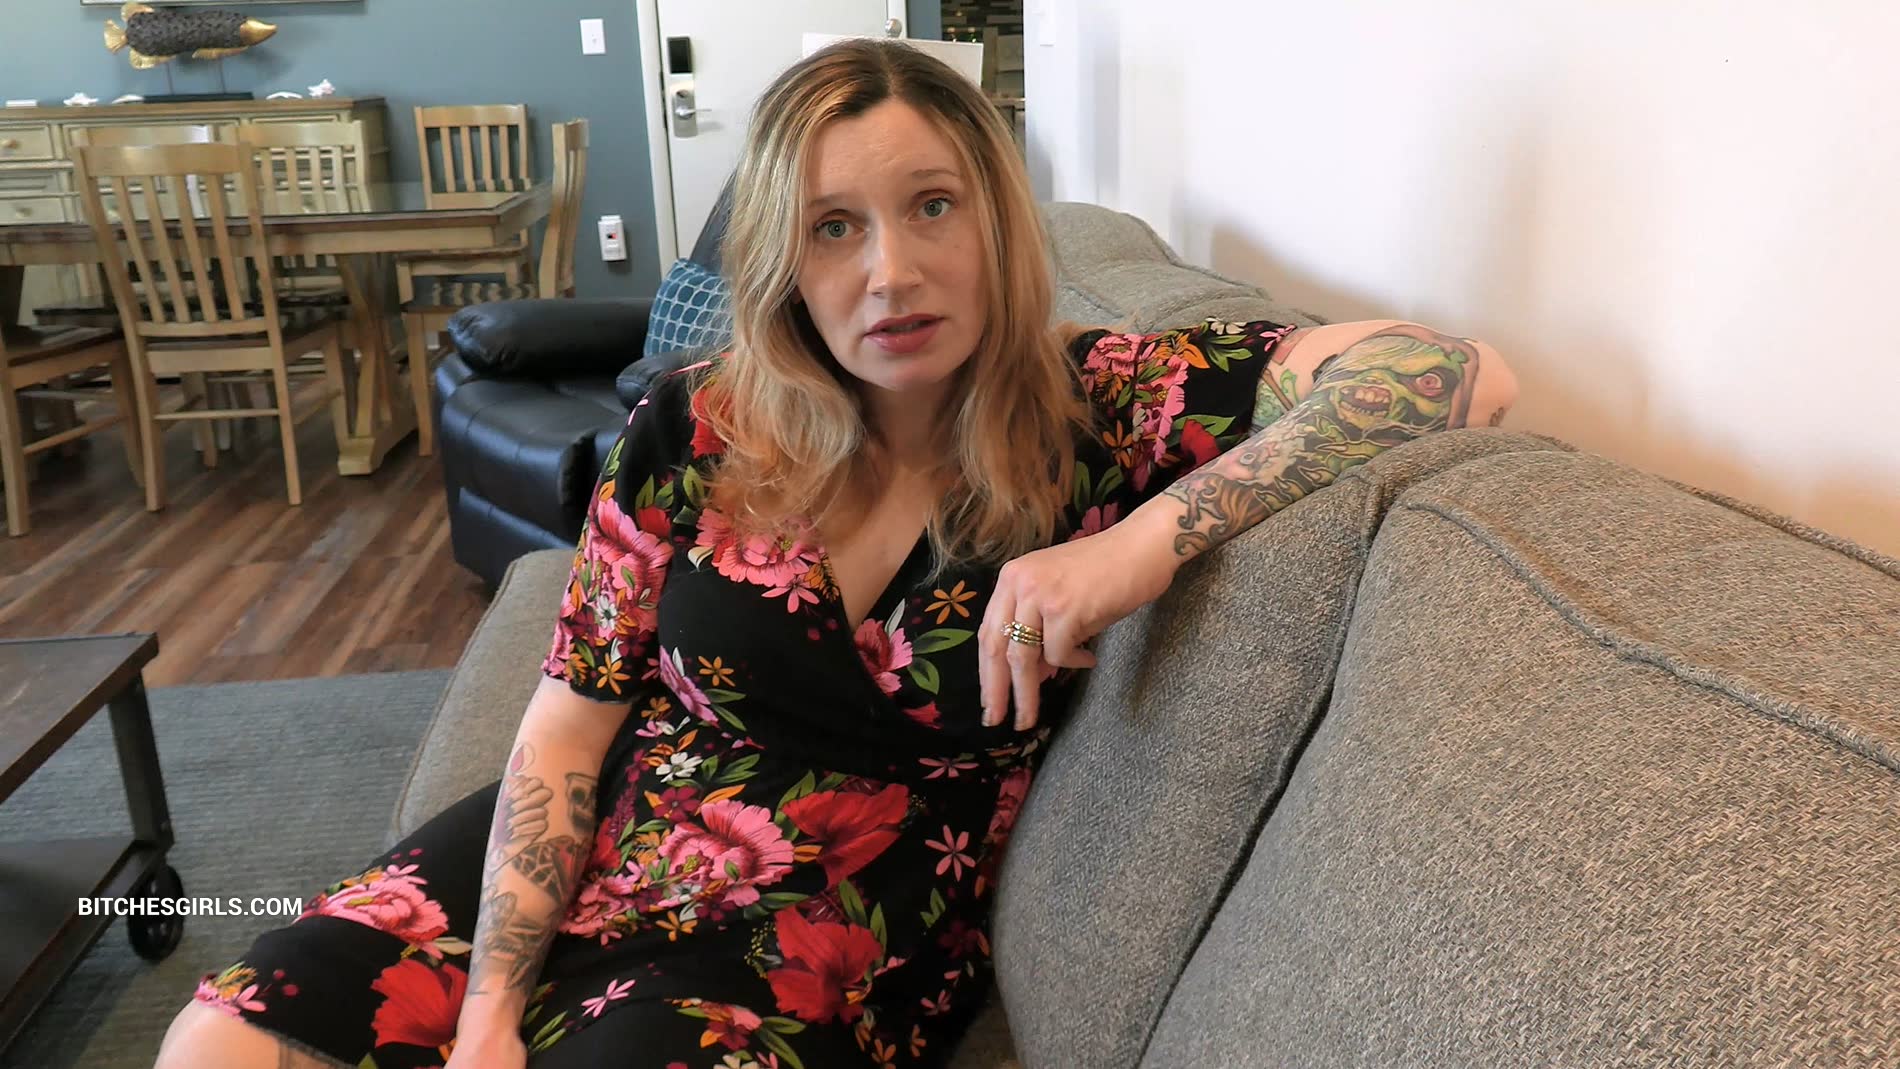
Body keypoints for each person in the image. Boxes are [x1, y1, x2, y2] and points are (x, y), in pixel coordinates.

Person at [154, 37, 1516, 1069]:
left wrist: (1148, 545)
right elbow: (569, 725)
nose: (891, 273)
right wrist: (488, 1013)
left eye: (933, 207)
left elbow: (1456, 373)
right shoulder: (694, 423)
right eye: (834, 227)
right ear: (785, 262)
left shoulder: (1104, 404)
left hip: (833, 926)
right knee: (219, 1038)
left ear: (996, 218)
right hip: (617, 821)